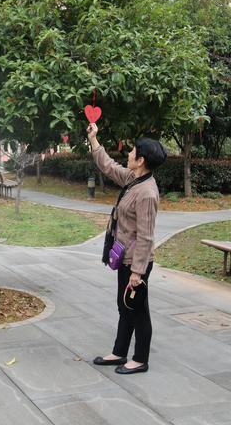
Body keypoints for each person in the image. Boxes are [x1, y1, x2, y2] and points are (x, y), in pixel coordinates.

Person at [87, 123, 166, 374]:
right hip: (126, 258)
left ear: (141, 160)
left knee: (138, 310)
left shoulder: (147, 193)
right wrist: (94, 140)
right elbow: (109, 167)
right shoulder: (134, 178)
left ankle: (140, 359)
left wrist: (138, 273)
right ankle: (119, 352)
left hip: (137, 263)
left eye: (132, 152)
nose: (129, 154)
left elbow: (146, 237)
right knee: (125, 307)